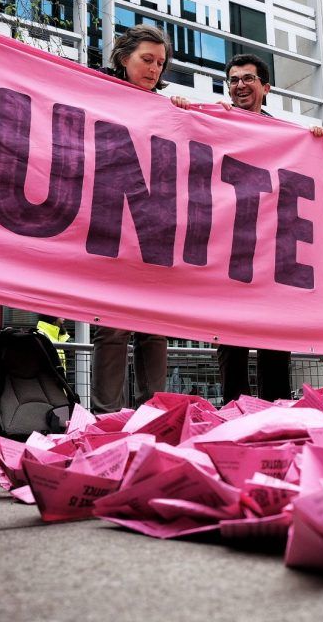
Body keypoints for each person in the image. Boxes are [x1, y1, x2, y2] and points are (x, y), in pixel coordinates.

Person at [90, 25, 188, 413]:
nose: (154, 70)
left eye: (160, 64)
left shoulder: (168, 107)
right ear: (122, 58)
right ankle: (106, 416)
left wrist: (185, 115)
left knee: (155, 329)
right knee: (111, 327)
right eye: (146, 60)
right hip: (109, 226)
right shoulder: (93, 90)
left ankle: (154, 415)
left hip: (153, 230)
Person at [214, 53, 322, 401]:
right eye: (233, 80)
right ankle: (235, 412)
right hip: (229, 250)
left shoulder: (286, 136)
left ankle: (275, 412)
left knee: (274, 340)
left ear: (266, 87)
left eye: (247, 79)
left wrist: (314, 141)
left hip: (272, 251)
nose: (240, 86)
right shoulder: (217, 121)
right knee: (232, 342)